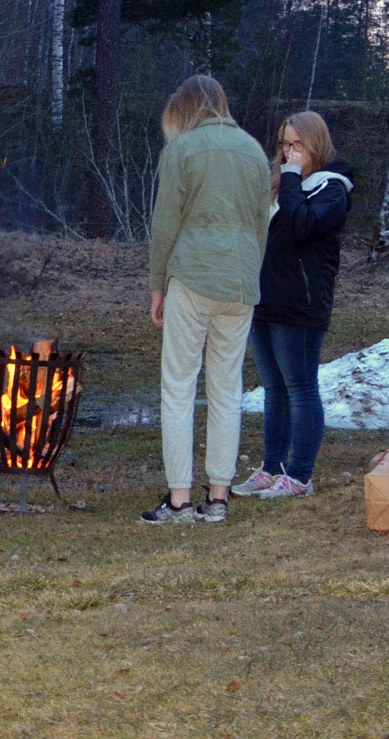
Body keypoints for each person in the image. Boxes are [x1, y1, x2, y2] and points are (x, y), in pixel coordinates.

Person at [142, 75, 269, 525]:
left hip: (192, 277)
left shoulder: (183, 148)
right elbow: (261, 226)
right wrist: (250, 275)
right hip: (239, 284)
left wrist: (158, 285)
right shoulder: (254, 150)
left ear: (186, 108)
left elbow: (165, 225)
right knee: (226, 390)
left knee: (178, 388)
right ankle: (217, 497)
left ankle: (178, 500)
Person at [236, 111, 355, 500]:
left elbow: (301, 227)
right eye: (285, 145)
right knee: (274, 390)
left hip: (301, 305)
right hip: (265, 299)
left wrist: (290, 178)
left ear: (315, 145)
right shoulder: (278, 186)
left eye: (298, 145)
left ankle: (301, 474)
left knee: (301, 388)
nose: (289, 153)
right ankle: (272, 467)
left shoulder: (332, 189)